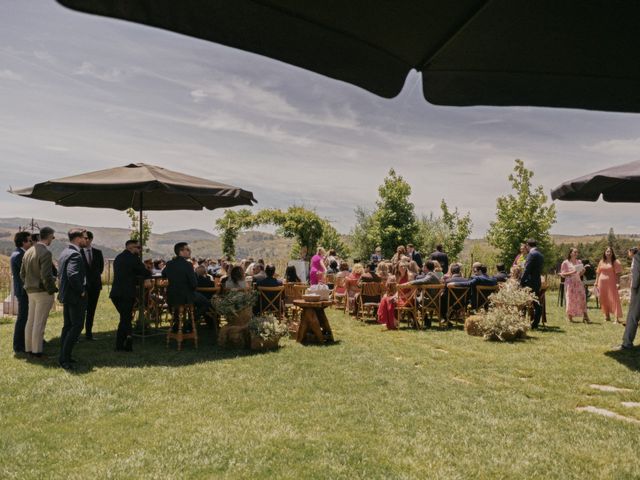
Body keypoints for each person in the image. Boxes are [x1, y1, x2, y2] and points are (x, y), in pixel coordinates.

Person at [20, 226, 57, 359]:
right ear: (49, 236)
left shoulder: (28, 251)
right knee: (39, 322)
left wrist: (29, 285)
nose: (53, 239)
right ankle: (37, 352)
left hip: (30, 291)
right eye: (53, 237)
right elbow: (46, 275)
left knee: (31, 320)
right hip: (42, 291)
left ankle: (29, 349)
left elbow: (22, 274)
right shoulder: (45, 252)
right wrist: (52, 289)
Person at [110, 240, 151, 351]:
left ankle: (127, 341)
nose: (140, 250)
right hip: (126, 293)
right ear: (131, 248)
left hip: (115, 293)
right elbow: (144, 272)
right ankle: (121, 344)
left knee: (125, 318)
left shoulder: (118, 257)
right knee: (125, 318)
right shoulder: (133, 259)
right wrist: (148, 270)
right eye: (138, 248)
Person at [57, 228, 89, 370]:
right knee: (76, 326)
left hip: (67, 295)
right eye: (85, 237)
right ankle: (64, 359)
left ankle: (64, 356)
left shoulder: (65, 252)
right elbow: (72, 274)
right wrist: (81, 291)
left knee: (68, 326)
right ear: (78, 238)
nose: (86, 240)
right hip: (75, 297)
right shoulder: (75, 255)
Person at [163, 242, 210, 331]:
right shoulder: (188, 264)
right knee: (206, 303)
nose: (190, 251)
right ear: (181, 251)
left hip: (171, 296)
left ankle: (177, 324)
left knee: (180, 306)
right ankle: (188, 324)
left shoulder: (169, 263)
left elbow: (163, 274)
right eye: (187, 249)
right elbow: (194, 284)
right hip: (185, 296)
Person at [10, 231, 32, 356]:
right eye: (29, 240)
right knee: (22, 318)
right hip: (23, 291)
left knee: (26, 317)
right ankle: (18, 346)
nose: (31, 242)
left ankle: (24, 342)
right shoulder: (19, 255)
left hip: (24, 290)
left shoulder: (19, 253)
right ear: (23, 242)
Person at [79, 230, 103, 340]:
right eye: (83, 238)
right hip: (83, 287)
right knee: (81, 311)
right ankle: (77, 334)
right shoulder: (78, 253)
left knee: (91, 310)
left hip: (95, 286)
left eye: (86, 238)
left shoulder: (98, 253)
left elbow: (101, 269)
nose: (84, 240)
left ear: (91, 239)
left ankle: (89, 333)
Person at [616, 248, 640, 350]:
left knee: (632, 316)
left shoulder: (637, 257)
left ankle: (627, 343)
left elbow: (636, 275)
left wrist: (634, 288)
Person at [560, 247, 589, 323]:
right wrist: (572, 272)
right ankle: (570, 317)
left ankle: (585, 316)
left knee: (582, 298)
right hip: (570, 282)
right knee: (570, 299)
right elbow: (562, 274)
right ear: (570, 253)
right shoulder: (565, 262)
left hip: (578, 282)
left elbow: (580, 274)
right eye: (574, 252)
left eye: (577, 252)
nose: (576, 253)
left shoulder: (579, 262)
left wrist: (583, 271)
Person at [520, 239, 545, 329]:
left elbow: (527, 269)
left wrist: (521, 281)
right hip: (536, 281)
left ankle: (521, 321)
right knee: (535, 302)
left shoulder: (531, 254)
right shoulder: (540, 254)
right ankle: (535, 322)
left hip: (529, 281)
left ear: (527, 245)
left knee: (522, 301)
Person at [595, 247, 623, 323]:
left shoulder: (616, 262)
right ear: (604, 252)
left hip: (612, 283)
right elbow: (598, 272)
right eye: (607, 251)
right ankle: (607, 316)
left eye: (610, 251)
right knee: (603, 299)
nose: (608, 253)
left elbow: (618, 274)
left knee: (614, 299)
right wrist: (596, 282)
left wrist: (618, 283)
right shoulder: (601, 261)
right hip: (601, 283)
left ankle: (616, 319)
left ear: (612, 253)